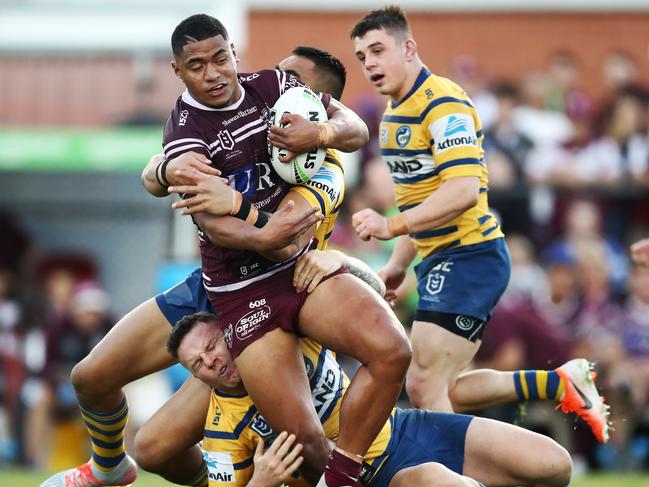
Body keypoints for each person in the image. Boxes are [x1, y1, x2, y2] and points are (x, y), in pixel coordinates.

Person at [40, 37, 400, 487]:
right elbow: (158, 171)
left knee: (292, 445)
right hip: (212, 286)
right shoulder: (238, 129)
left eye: (293, 83)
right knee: (92, 379)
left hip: (268, 303)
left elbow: (280, 244)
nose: (271, 90)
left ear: (316, 106)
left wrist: (232, 202)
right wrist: (164, 171)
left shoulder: (325, 170)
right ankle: (108, 470)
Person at [350, 6, 609, 441]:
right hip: (439, 261)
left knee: (423, 385)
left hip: (471, 256)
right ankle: (560, 383)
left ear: (409, 47)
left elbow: (463, 190)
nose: (370, 63)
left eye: (378, 50)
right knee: (441, 386)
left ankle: (463, 472)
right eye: (362, 57)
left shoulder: (444, 102)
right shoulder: (393, 120)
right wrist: (396, 265)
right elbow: (422, 201)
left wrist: (390, 227)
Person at [167, 311, 573, 487]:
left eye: (213, 345)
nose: (212, 361)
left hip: (403, 426)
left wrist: (331, 265)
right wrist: (262, 480)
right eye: (197, 363)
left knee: (554, 465)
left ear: (230, 330)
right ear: (193, 376)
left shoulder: (289, 335)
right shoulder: (222, 429)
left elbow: (362, 289)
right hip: (370, 475)